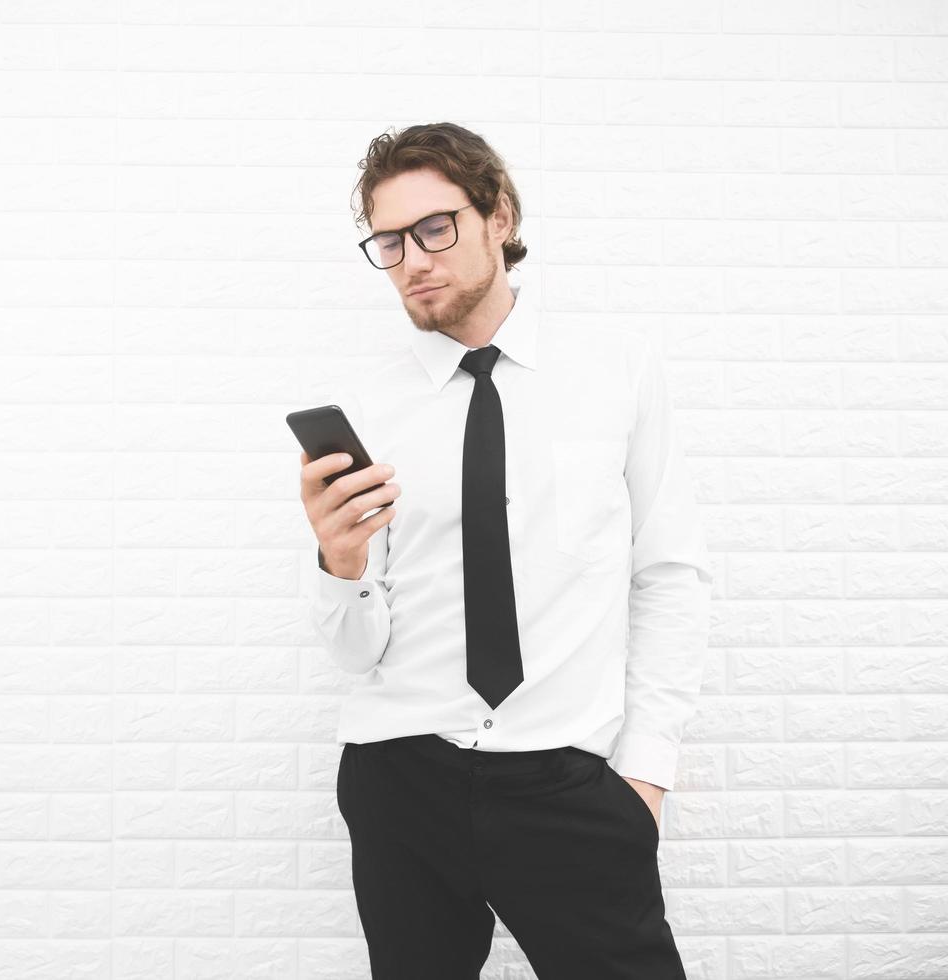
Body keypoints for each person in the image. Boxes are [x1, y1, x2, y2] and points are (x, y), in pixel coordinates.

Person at [297, 122, 713, 979]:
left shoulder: (617, 370)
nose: (412, 257)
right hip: (400, 775)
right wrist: (338, 565)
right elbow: (355, 652)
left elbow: (668, 578)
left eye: (435, 227)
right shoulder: (365, 407)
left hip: (566, 781)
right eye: (388, 240)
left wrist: (645, 780)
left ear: (500, 215)